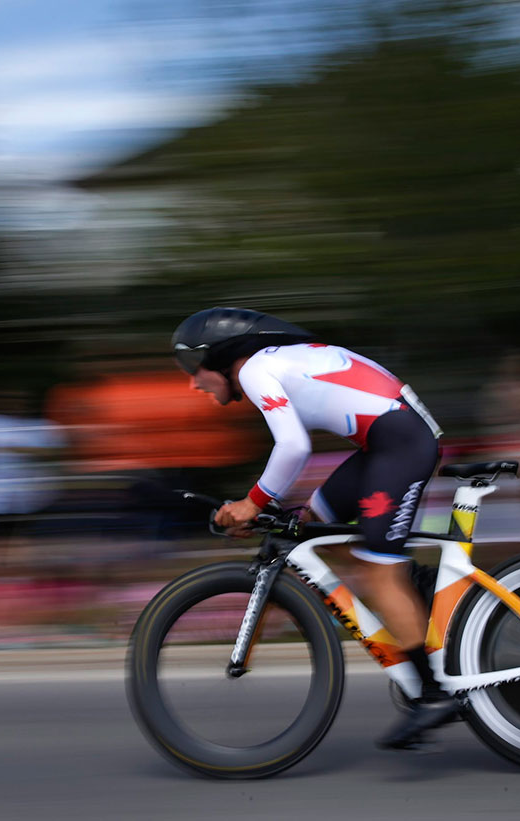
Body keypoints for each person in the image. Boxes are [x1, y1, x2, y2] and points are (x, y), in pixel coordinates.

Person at [172, 307, 454, 749]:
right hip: (385, 443)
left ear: (223, 357)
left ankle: (433, 695)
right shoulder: (276, 362)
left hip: (399, 443)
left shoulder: (256, 368)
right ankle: (418, 594)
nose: (193, 381)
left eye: (194, 367)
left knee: (378, 570)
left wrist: (252, 503)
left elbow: (293, 446)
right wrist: (264, 507)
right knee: (312, 528)